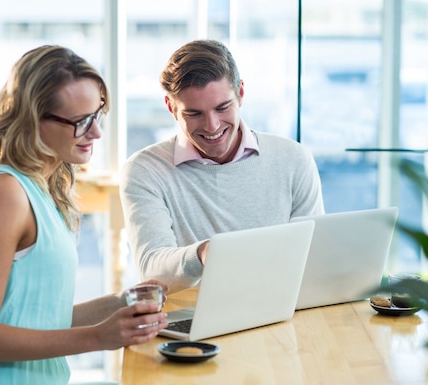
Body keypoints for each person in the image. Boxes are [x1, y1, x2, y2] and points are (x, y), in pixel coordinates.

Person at [0, 45, 168, 385]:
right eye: (81, 121)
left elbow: (36, 316)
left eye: (98, 114)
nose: (96, 132)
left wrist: (120, 302)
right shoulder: (5, 195)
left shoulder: (40, 187)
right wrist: (99, 337)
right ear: (34, 120)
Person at [120, 39, 325, 294]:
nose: (212, 126)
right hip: (194, 320)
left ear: (240, 94)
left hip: (281, 312)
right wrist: (202, 253)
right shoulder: (146, 171)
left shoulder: (294, 159)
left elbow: (314, 259)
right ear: (171, 107)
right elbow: (152, 269)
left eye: (222, 107)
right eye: (194, 114)